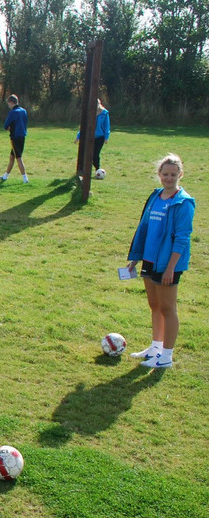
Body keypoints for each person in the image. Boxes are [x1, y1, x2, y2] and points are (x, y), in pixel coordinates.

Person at [125, 153, 196, 370]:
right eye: (165, 174)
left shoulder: (183, 203)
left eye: (173, 174)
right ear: (159, 175)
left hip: (167, 264)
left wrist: (171, 268)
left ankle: (166, 356)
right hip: (149, 259)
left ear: (180, 175)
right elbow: (145, 227)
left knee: (168, 308)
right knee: (154, 305)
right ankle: (155, 347)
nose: (169, 178)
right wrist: (136, 257)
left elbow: (182, 238)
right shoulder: (155, 196)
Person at [76, 98, 110, 175]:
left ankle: (97, 169)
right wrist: (78, 136)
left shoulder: (104, 113)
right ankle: (84, 170)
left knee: (95, 154)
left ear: (99, 104)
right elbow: (84, 126)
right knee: (87, 153)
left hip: (100, 137)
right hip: (89, 137)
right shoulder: (89, 112)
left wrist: (106, 137)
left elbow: (106, 126)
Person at [0, 94, 29, 184]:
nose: (8, 105)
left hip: (15, 137)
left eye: (8, 103)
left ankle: (25, 178)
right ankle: (5, 176)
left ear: (11, 102)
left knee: (18, 157)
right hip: (22, 136)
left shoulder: (13, 112)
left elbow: (6, 126)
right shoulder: (24, 111)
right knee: (12, 157)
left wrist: (11, 130)